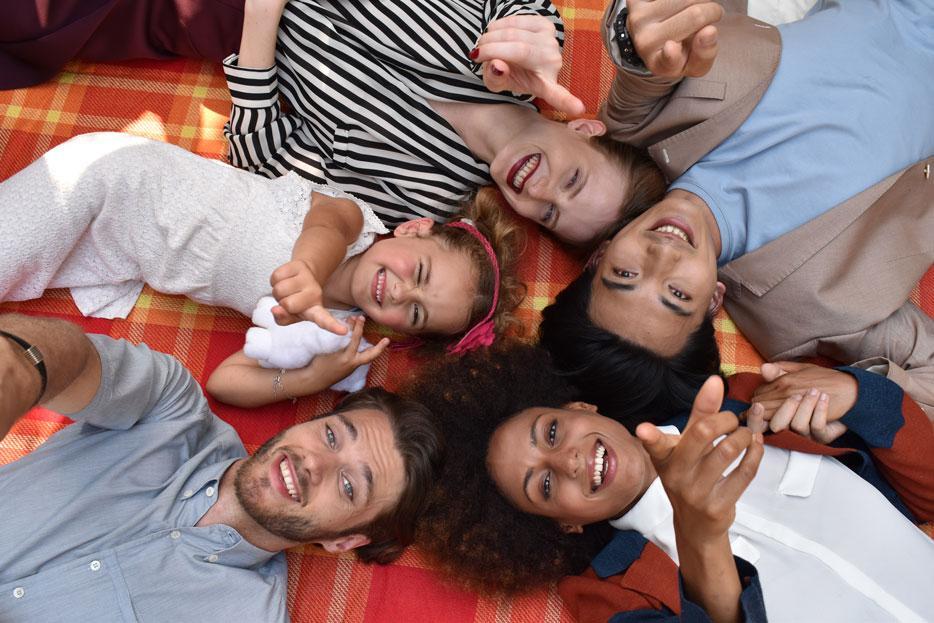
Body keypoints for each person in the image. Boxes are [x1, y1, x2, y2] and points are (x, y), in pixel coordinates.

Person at [541, 0, 934, 420]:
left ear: (599, 256)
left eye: (625, 274)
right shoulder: (806, 318)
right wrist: (861, 392)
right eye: (677, 294)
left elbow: (649, 49)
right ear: (712, 301)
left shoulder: (636, 136)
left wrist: (642, 29)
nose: (663, 255)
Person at [0, 0, 667, 244]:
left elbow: (267, 162)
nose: (540, 192)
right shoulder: (530, 36)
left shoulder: (420, 199)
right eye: (573, 181)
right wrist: (526, 41)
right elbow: (533, 31)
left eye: (549, 215)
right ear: (585, 131)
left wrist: (259, 25)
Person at [410, 344, 934, 622]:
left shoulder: (742, 402)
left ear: (579, 406)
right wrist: (701, 537)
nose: (567, 460)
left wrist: (856, 392)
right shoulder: (607, 594)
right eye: (543, 486)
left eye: (551, 431)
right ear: (565, 524)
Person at [0, 132, 524, 393]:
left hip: (125, 252)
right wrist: (309, 272)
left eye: (416, 313)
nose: (403, 292)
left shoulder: (333, 336)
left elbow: (226, 382)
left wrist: (317, 376)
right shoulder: (354, 219)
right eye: (422, 273)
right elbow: (324, 231)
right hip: (118, 180)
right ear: (414, 229)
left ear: (402, 334)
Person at [0, 312, 443, 620]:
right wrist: (21, 370)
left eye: (348, 486)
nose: (315, 463)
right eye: (331, 435)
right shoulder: (171, 407)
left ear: (345, 541)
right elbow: (72, 363)